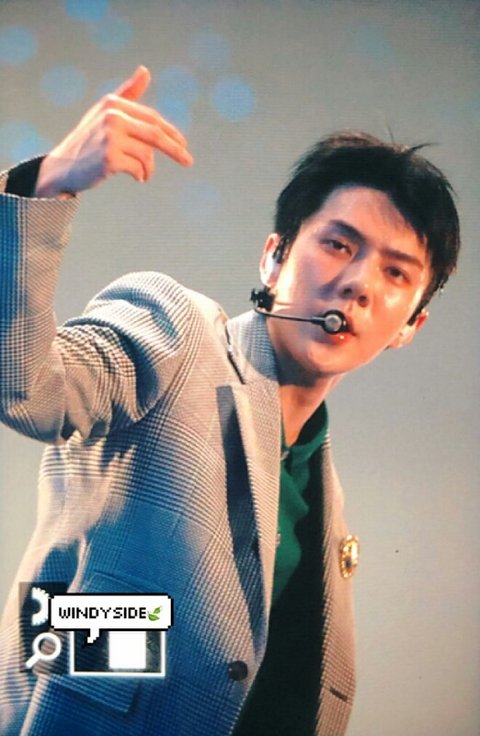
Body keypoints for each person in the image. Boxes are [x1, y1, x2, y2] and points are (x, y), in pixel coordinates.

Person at [0, 66, 460, 736]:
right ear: (273, 258)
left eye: (395, 272)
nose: (359, 283)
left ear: (409, 326)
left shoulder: (324, 493)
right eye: (338, 244)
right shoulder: (176, 332)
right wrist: (45, 187)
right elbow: (28, 388)